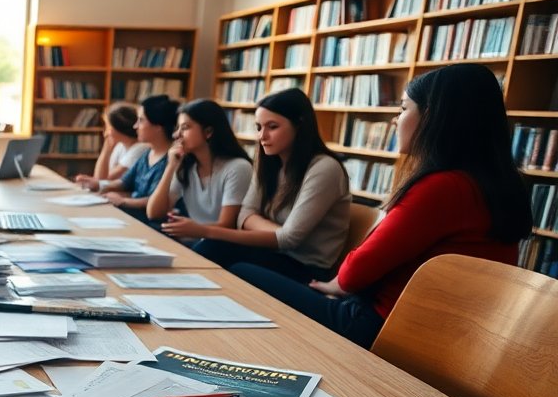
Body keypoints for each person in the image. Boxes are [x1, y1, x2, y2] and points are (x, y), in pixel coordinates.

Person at [232, 64, 532, 348]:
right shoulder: (496, 185)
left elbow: (354, 272)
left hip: (378, 325)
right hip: (439, 335)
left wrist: (337, 286)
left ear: (433, 118)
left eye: (403, 109)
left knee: (241, 270)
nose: (394, 120)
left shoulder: (443, 188)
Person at [189, 88, 351, 282]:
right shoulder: (270, 161)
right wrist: (280, 232)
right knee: (212, 247)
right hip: (272, 253)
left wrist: (209, 230)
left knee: (223, 255)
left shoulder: (325, 168)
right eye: (259, 127)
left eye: (272, 127)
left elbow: (289, 240)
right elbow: (244, 215)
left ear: (299, 126)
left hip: (305, 268)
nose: (262, 136)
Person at [148, 99, 253, 236]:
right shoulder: (186, 166)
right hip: (195, 238)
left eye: (185, 128)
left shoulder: (237, 167)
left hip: (220, 243)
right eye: (177, 128)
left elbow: (227, 224)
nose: (176, 135)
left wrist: (192, 229)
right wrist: (170, 166)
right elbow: (154, 213)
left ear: (208, 131)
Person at [97, 95, 178, 218]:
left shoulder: (173, 159)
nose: (135, 126)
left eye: (141, 120)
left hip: (148, 223)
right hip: (132, 216)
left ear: (157, 127)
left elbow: (158, 201)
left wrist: (123, 201)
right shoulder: (147, 153)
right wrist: (98, 185)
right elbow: (124, 182)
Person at [75, 102, 147, 189]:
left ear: (120, 127)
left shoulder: (141, 149)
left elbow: (101, 180)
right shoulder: (120, 145)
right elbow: (100, 180)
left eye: (108, 127)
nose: (105, 133)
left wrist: (106, 149)